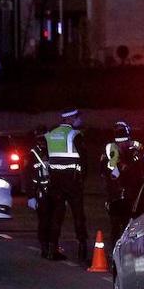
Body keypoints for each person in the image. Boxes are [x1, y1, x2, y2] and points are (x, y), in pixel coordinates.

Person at [40, 109, 89, 262]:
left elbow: (48, 158)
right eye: (76, 117)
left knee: (56, 215)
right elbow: (84, 160)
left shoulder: (50, 135)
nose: (78, 120)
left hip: (56, 181)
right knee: (78, 215)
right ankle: (82, 249)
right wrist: (82, 178)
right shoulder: (74, 135)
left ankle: (51, 249)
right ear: (70, 119)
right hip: (72, 180)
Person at [102, 121, 144, 250]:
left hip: (123, 195)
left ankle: (120, 250)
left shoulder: (114, 152)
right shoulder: (117, 153)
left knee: (122, 226)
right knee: (121, 226)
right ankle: (119, 251)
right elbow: (110, 173)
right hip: (121, 195)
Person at [25, 125, 56, 259]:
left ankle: (52, 246)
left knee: (54, 221)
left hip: (54, 191)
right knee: (44, 221)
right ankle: (44, 246)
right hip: (40, 192)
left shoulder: (54, 151)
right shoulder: (33, 154)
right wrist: (31, 196)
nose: (43, 141)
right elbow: (27, 175)